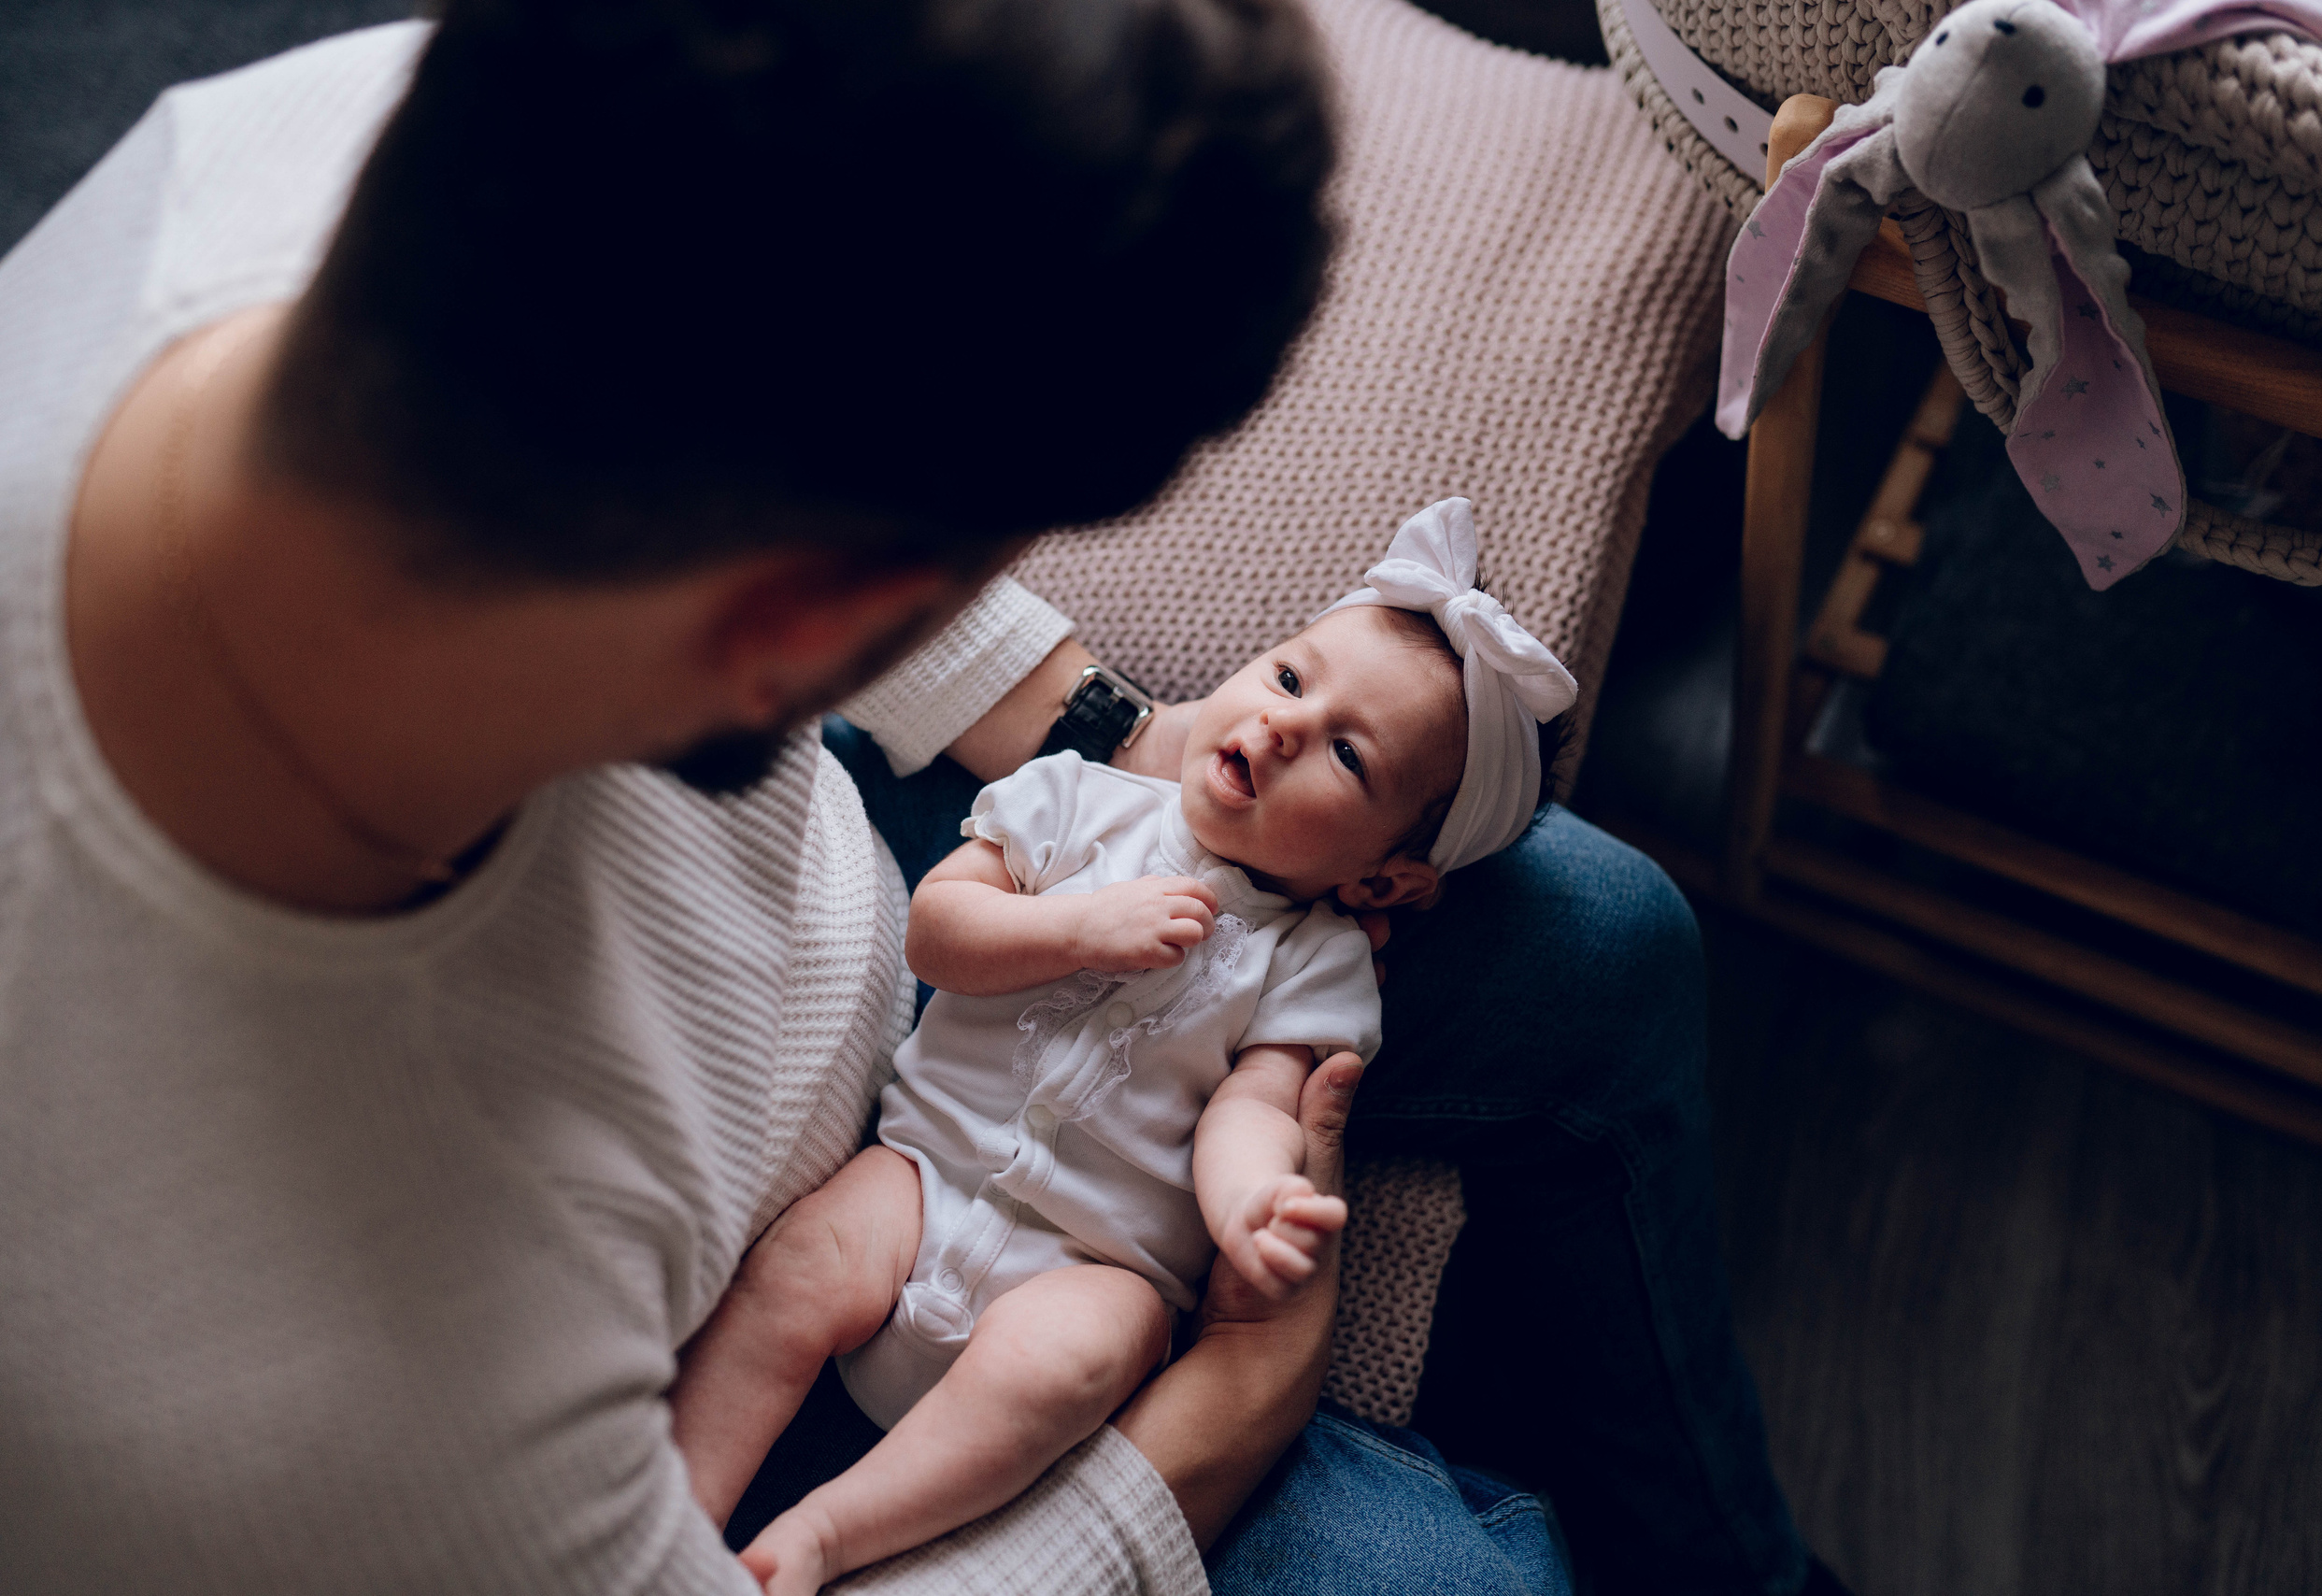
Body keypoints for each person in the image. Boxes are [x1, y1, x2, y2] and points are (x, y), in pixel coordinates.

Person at [0, 2, 1819, 1594]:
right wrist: (1216, 1415)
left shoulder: (422, 130)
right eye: (975, 573)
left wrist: (1099, 729)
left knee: (1598, 932)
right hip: (716, 1366)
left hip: (891, 989)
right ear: (791, 629)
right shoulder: (298, 1419)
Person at [677, 501, 1577, 1596]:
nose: (1286, 725)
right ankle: (675, 1519)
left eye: (1347, 752)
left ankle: (828, 1535)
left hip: (1088, 1264)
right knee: (799, 1270)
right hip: (922, 1176)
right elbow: (937, 931)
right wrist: (1070, 929)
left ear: (1384, 880)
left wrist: (1253, 1201)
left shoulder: (1318, 960)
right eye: (1289, 678)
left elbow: (1259, 1101)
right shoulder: (1074, 799)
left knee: (1088, 1349)